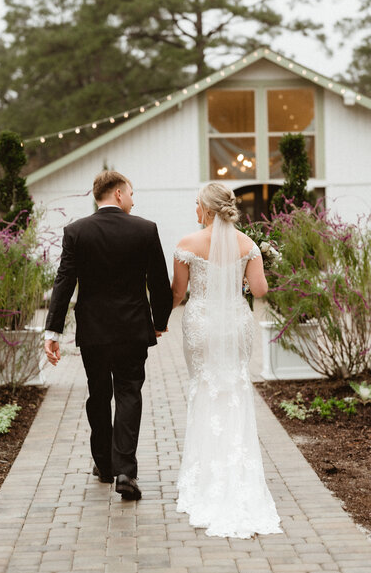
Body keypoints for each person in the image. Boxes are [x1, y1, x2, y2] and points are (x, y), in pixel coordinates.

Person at [44, 170, 173, 500]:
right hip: (132, 329)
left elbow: (64, 283)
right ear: (118, 194)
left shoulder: (76, 232)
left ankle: (103, 463)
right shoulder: (145, 229)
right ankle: (125, 472)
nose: (133, 199)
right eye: (131, 192)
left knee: (98, 394)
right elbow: (159, 281)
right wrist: (160, 320)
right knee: (129, 393)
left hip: (94, 331)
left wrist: (52, 331)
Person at [172, 181, 282, 538]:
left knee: (204, 387)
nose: (194, 210)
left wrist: (156, 321)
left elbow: (177, 292)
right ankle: (237, 472)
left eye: (196, 204)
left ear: (205, 208)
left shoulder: (187, 244)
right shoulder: (248, 245)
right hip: (235, 322)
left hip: (201, 323)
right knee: (234, 388)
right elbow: (261, 290)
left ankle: (204, 478)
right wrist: (245, 281)